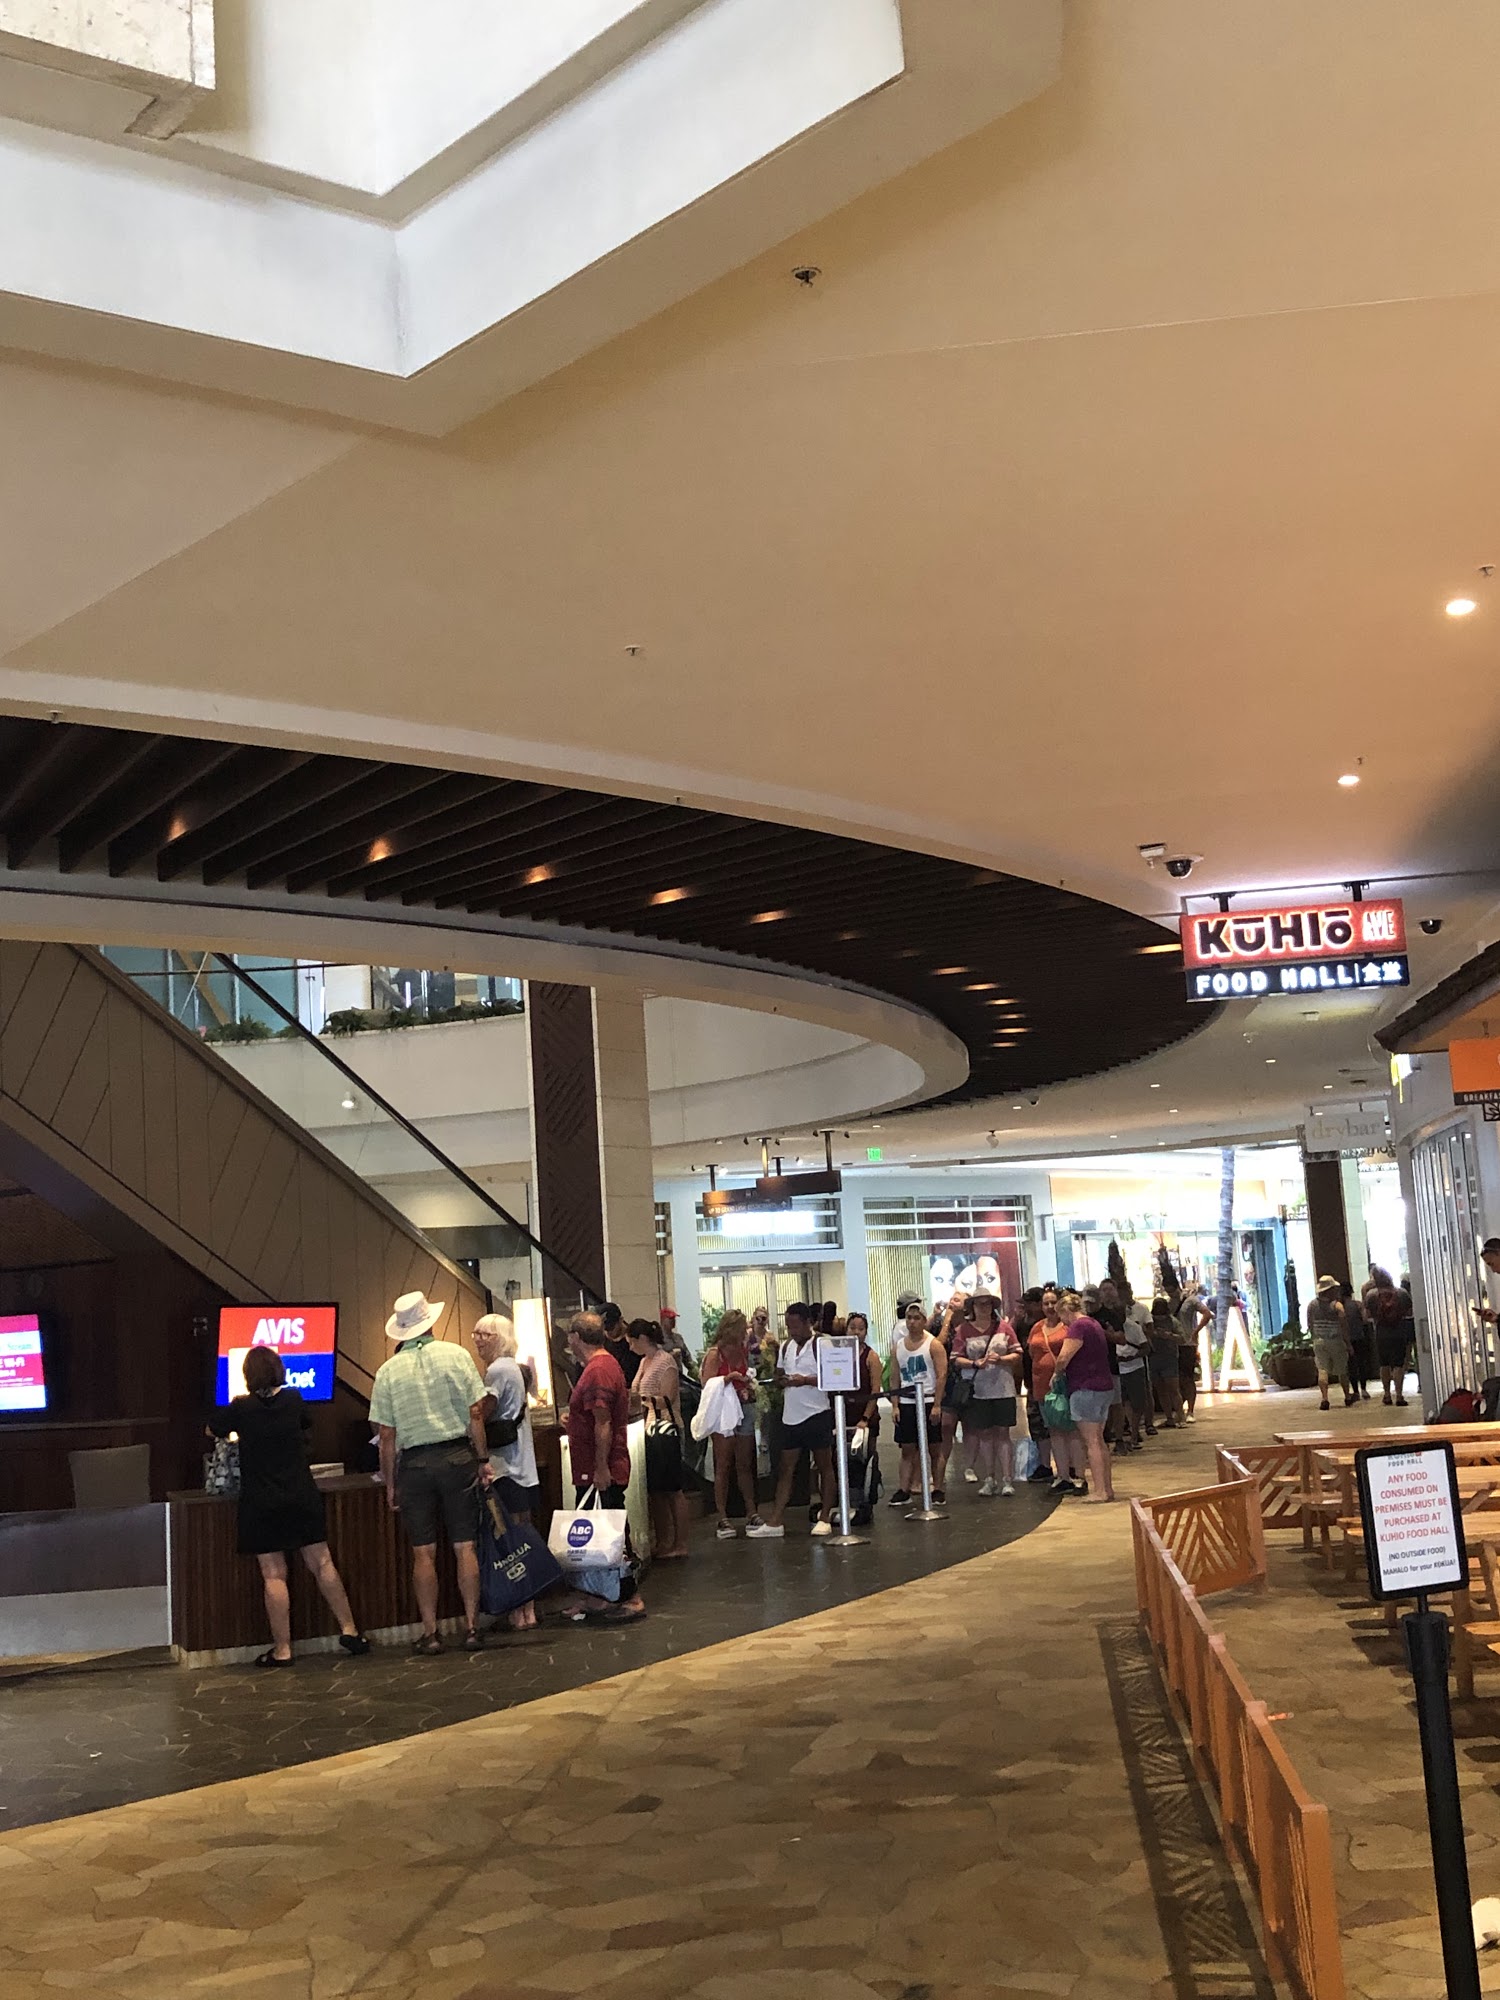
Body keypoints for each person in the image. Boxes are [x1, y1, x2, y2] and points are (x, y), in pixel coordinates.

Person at [208, 1346, 370, 1669]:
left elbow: (212, 1429)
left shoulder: (241, 1407)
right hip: (300, 1495)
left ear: (248, 1375)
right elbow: (306, 1425)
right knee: (322, 1563)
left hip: (261, 1500)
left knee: (273, 1574)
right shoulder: (294, 1400)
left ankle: (282, 1649)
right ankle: (350, 1630)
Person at [369, 1291, 493, 1656]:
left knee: (423, 1552)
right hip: (457, 1458)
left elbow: (386, 1435)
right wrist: (482, 1459)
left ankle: (431, 1632)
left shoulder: (387, 1372)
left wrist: (390, 1482)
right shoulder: (457, 1355)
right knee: (464, 1545)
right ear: (430, 1322)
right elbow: (475, 1415)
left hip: (415, 1466)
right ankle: (472, 1628)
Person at [561, 1313, 646, 1622]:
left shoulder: (598, 1370)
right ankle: (599, 1596)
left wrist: (600, 1468)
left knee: (612, 1533)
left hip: (601, 1469)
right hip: (595, 1467)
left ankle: (630, 1597)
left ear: (576, 1337)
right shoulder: (602, 1366)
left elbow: (603, 1422)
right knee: (597, 1534)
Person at [471, 1312, 542, 1629]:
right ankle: (529, 1607)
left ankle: (519, 1609)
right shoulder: (514, 1367)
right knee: (524, 1535)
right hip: (522, 1466)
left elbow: (481, 1413)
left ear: (498, 1338)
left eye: (483, 1335)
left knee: (510, 1541)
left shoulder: (497, 1370)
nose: (477, 1341)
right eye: (475, 1334)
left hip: (504, 1467)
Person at [748, 1302, 835, 1538]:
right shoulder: (786, 1347)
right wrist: (780, 1380)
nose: (792, 1331)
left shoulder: (821, 1344)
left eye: (796, 1326)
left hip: (817, 1413)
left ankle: (825, 1516)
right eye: (788, 1326)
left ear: (808, 1323)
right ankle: (776, 1520)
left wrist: (804, 1380)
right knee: (786, 1469)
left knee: (824, 1465)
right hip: (791, 1416)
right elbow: (779, 1373)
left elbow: (832, 1377)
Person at [628, 1317, 692, 1560]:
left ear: (642, 1339)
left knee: (673, 1488)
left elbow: (667, 1398)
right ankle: (663, 1540)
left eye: (632, 1342)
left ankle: (680, 1542)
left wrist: (642, 1401)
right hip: (648, 1428)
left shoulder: (666, 1362)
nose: (630, 1347)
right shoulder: (644, 1361)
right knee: (656, 1490)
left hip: (666, 1428)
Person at [700, 1309, 767, 1538]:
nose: (744, 1333)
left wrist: (747, 1384)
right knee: (723, 1464)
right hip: (724, 1413)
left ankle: (751, 1511)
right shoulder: (715, 1354)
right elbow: (707, 1385)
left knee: (744, 1463)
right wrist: (729, 1379)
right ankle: (722, 1516)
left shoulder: (743, 1350)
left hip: (743, 1407)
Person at [1053, 1291, 1116, 1503]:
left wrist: (1057, 1373)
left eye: (1061, 1316)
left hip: (1085, 1387)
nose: (1062, 1322)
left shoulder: (1078, 1327)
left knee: (1091, 1442)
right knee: (1099, 1440)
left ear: (1066, 1311)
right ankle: (1107, 1488)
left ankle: (1100, 1491)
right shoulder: (1094, 1324)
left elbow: (1064, 1357)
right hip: (1104, 1386)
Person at [959, 1292, 1022, 1496]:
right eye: (980, 1304)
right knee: (984, 1434)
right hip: (979, 1390)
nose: (984, 1308)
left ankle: (1007, 1478)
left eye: (987, 1304)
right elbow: (956, 1358)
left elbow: (1017, 1353)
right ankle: (989, 1477)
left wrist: (1002, 1360)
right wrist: (974, 1363)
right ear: (973, 1307)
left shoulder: (1004, 1327)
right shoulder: (964, 1330)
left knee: (1003, 1433)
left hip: (1003, 1388)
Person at [1028, 1290, 1086, 1495]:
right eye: (1046, 1303)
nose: (1050, 1307)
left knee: (1072, 1430)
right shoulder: (1037, 1327)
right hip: (1042, 1386)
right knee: (1054, 1430)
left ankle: (1078, 1474)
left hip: (1065, 1384)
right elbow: (1032, 1352)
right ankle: (1062, 1476)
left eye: (1053, 1302)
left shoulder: (1069, 1326)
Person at [889, 1300, 947, 1504]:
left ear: (923, 1321)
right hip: (907, 1402)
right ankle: (903, 1489)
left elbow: (941, 1375)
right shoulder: (898, 1347)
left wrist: (937, 1404)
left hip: (928, 1400)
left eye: (916, 1318)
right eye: (909, 1318)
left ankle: (938, 1488)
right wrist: (895, 1405)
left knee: (934, 1448)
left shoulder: (933, 1344)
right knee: (907, 1448)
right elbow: (894, 1377)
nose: (912, 1322)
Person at [843, 1311, 884, 1524]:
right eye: (852, 1328)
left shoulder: (871, 1357)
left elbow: (875, 1390)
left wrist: (865, 1419)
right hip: (842, 1416)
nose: (856, 1332)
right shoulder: (838, 1354)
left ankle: (865, 1503)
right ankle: (844, 1502)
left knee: (864, 1460)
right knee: (842, 1462)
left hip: (865, 1418)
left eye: (860, 1329)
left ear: (866, 1332)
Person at [1013, 1287, 1053, 1480]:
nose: (1026, 1308)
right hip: (1032, 1382)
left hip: (1052, 1383)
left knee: (1058, 1424)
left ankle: (1068, 1465)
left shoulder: (1051, 1325)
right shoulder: (1023, 1325)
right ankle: (1044, 1464)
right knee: (1036, 1424)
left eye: (1029, 1304)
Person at [1307, 1276, 1354, 1411]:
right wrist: (1348, 1344)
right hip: (1336, 1341)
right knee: (1342, 1370)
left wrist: (1314, 1336)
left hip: (1319, 1341)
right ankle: (1347, 1396)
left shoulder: (1312, 1305)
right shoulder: (1337, 1306)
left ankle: (1325, 1398)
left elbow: (1309, 1324)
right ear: (1330, 1290)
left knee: (1322, 1369)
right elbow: (1344, 1326)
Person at [1372, 1271, 1416, 1404]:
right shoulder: (1401, 1293)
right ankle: (1399, 1396)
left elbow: (1366, 1315)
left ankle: (1386, 1395)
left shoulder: (1371, 1295)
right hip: (1399, 1331)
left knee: (1384, 1364)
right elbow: (1410, 1311)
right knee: (1398, 1365)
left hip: (1381, 1332)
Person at [1147, 1297, 1185, 1427]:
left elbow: (1182, 1338)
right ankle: (1169, 1417)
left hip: (1169, 1357)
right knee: (1160, 1390)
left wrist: (1168, 1335)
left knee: (1173, 1389)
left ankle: (1181, 1416)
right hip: (1154, 1357)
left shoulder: (1172, 1321)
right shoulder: (1149, 1321)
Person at [1176, 1286, 1210, 1422]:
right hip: (1173, 1344)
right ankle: (1179, 1411)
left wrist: (1195, 1331)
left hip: (1187, 1344)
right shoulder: (1170, 1302)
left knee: (1187, 1378)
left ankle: (1190, 1410)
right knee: (1176, 1379)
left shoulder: (1190, 1300)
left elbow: (1207, 1313)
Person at [1339, 1281, 1375, 1402]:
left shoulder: (1339, 1306)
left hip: (1345, 1339)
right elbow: (1365, 1319)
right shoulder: (1358, 1304)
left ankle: (1355, 1391)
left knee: (1351, 1366)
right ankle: (1364, 1389)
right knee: (1361, 1364)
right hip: (1359, 1336)